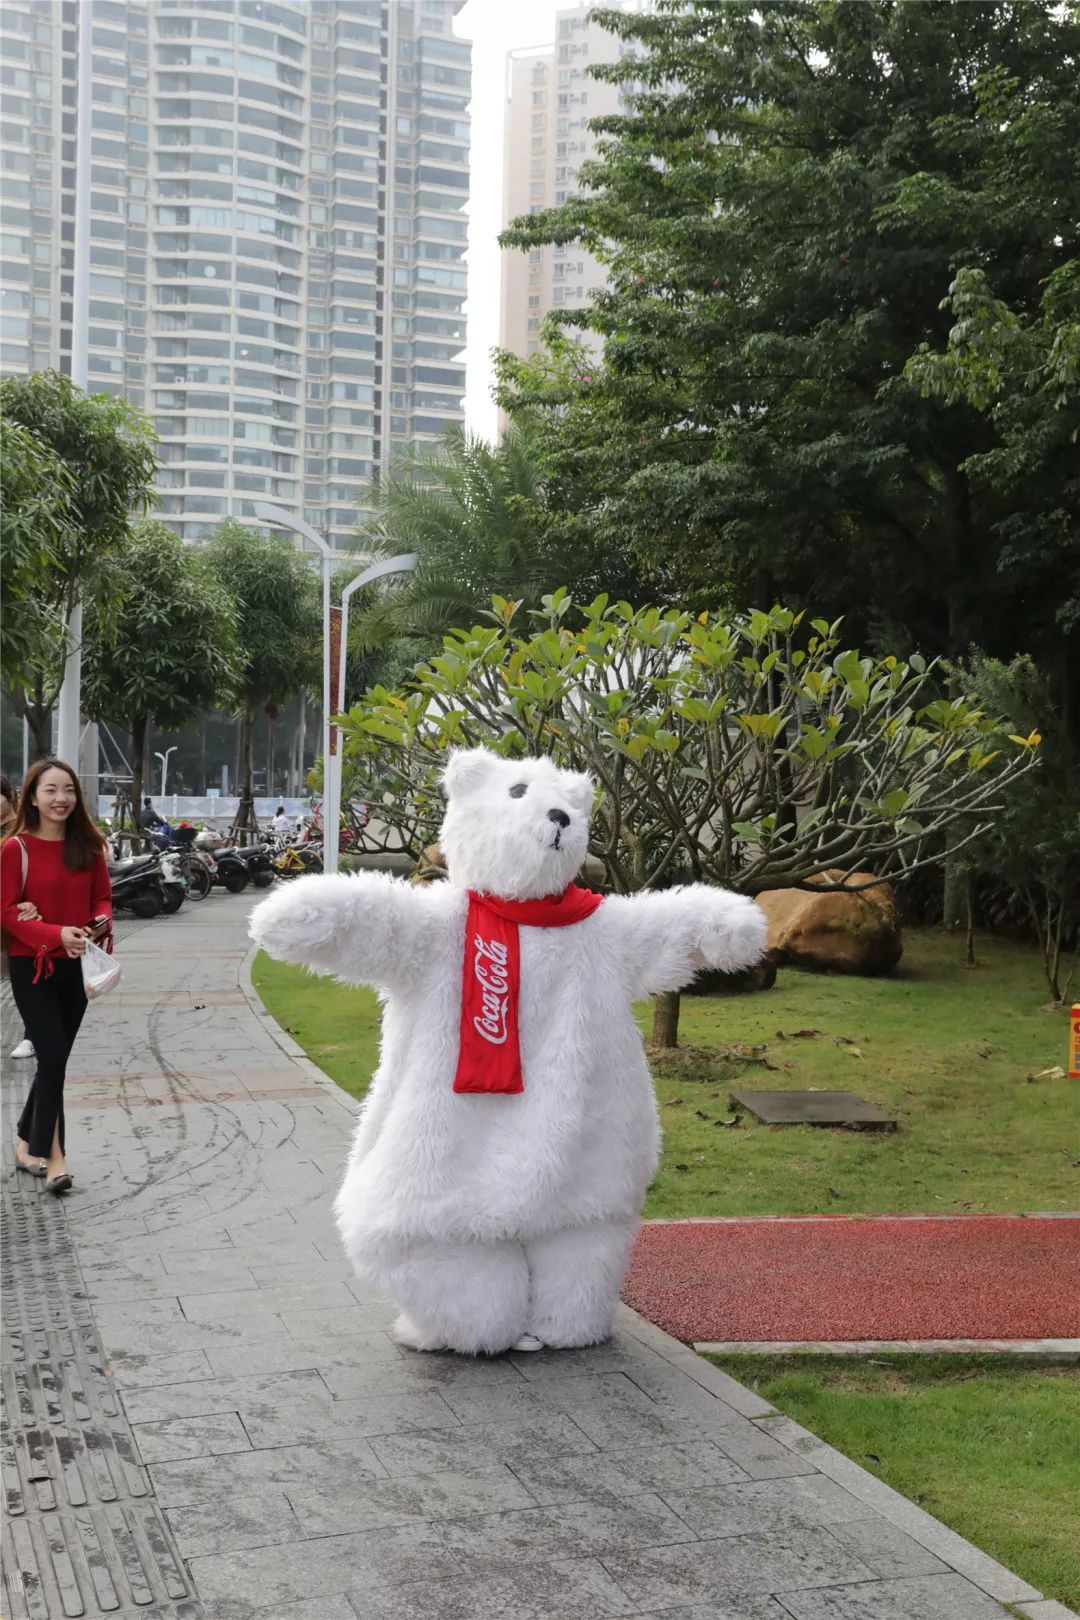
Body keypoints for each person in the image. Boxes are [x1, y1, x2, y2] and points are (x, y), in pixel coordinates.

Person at [1, 758, 113, 1194]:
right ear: (32, 796)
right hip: (34, 964)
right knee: (52, 1057)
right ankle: (55, 1160)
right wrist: (53, 932)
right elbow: (7, 912)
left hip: (77, 966)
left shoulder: (88, 847)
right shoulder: (16, 850)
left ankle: (28, 1139)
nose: (60, 798)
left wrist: (98, 924)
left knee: (56, 1058)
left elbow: (102, 898)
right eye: (50, 790)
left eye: (67, 789)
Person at [2, 774, 36, 1061]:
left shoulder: (22, 833)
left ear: (9, 797)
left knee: (23, 978)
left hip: (20, 917)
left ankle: (31, 1035)